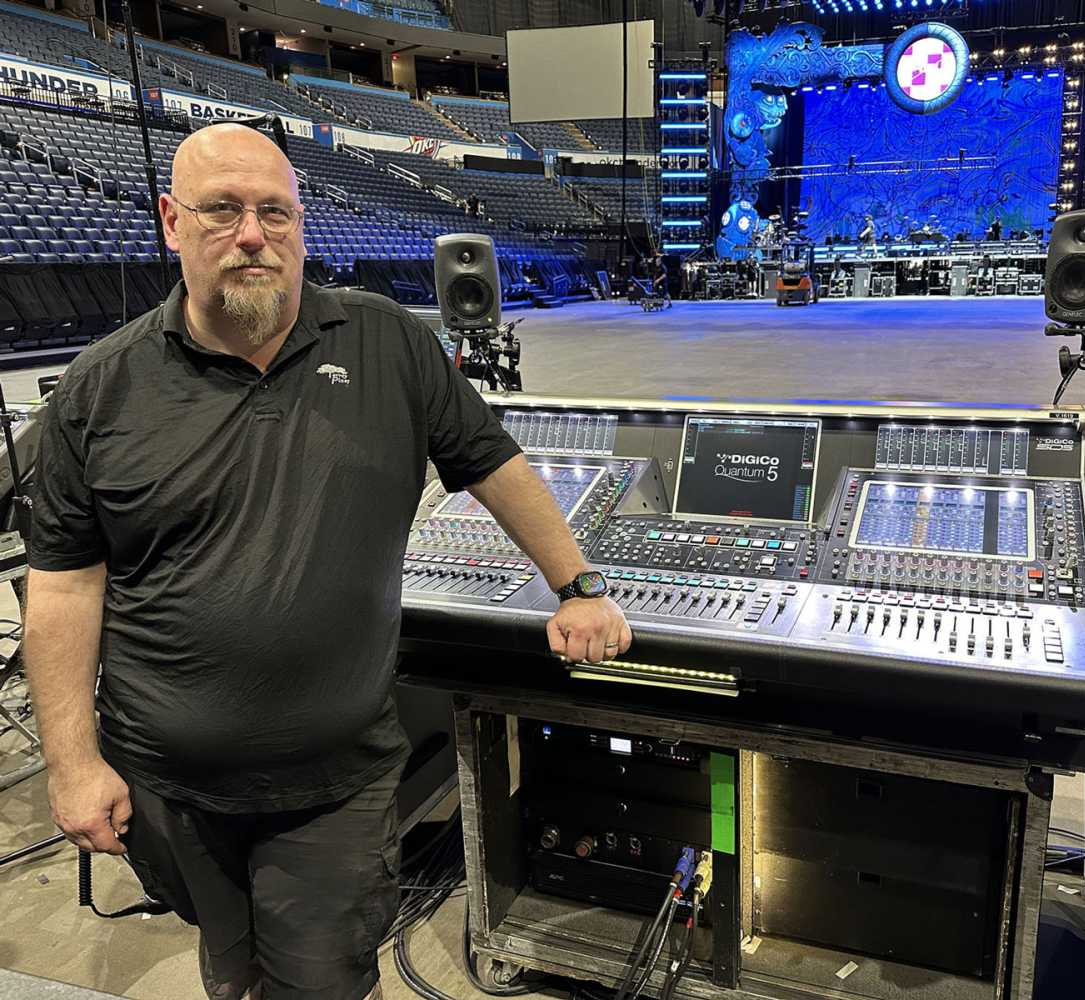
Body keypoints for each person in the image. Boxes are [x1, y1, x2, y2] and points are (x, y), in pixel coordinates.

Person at [24, 123, 631, 1000]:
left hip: (330, 777)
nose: (251, 235)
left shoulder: (385, 342)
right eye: (222, 210)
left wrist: (577, 585)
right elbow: (65, 589)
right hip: (167, 779)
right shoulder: (101, 386)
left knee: (321, 982)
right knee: (231, 972)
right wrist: (73, 763)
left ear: (300, 224)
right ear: (170, 221)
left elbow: (494, 463)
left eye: (275, 212)